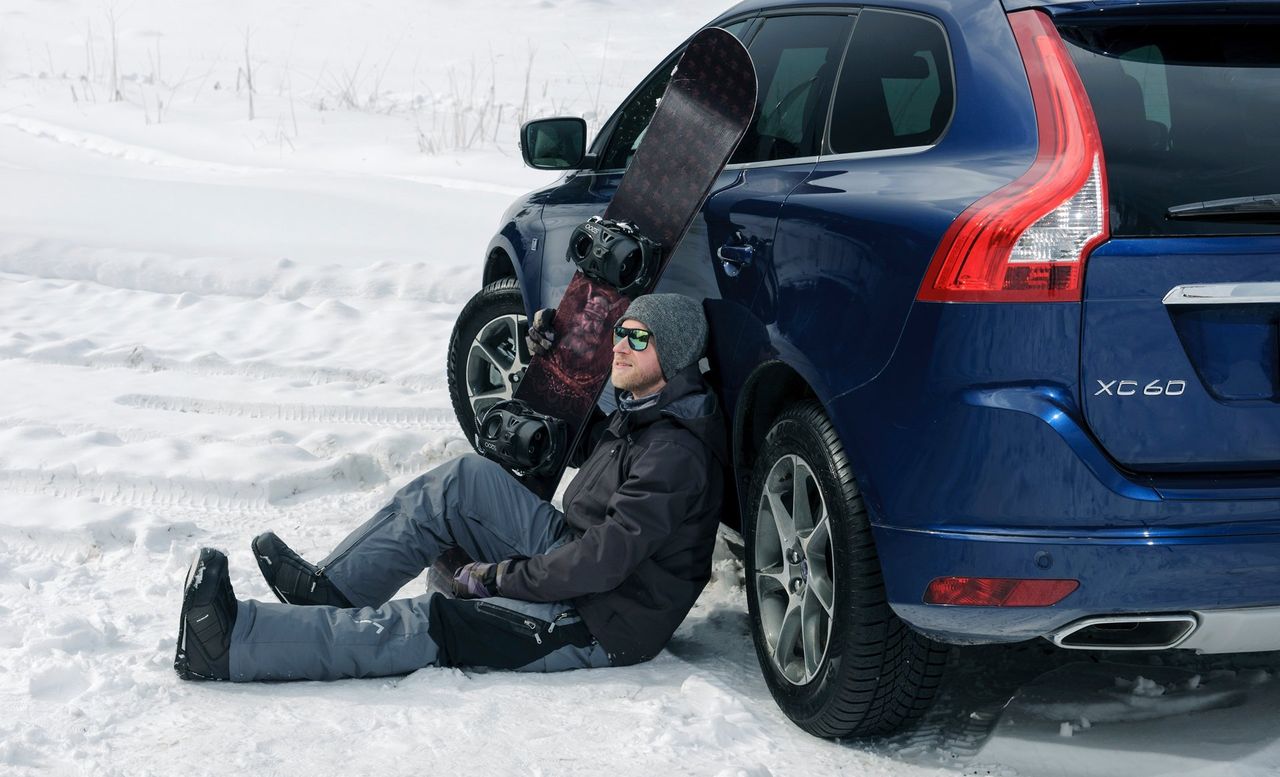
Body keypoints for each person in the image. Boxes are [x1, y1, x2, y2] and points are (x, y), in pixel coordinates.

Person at [174, 293, 728, 682]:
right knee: (462, 481)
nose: (621, 345)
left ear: (674, 355)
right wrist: (550, 357)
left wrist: (497, 578)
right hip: (581, 563)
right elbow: (588, 474)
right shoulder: (643, 414)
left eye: (638, 337)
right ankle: (334, 593)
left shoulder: (674, 453)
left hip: (599, 620)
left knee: (430, 624)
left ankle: (232, 646)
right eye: (620, 332)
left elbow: (604, 563)